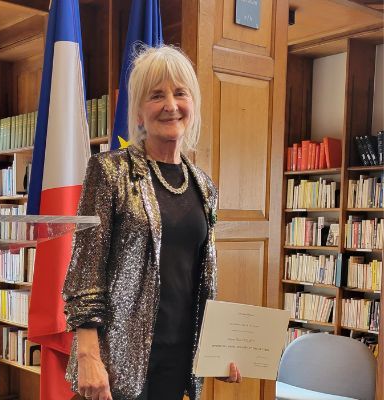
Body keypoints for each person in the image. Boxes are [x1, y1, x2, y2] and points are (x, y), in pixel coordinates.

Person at [62, 45, 241, 400]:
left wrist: (217, 350)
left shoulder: (204, 185)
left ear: (193, 104)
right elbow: (86, 271)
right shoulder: (110, 172)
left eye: (180, 93)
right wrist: (87, 356)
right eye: (157, 95)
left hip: (178, 360)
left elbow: (200, 277)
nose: (171, 105)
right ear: (140, 112)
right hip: (117, 362)